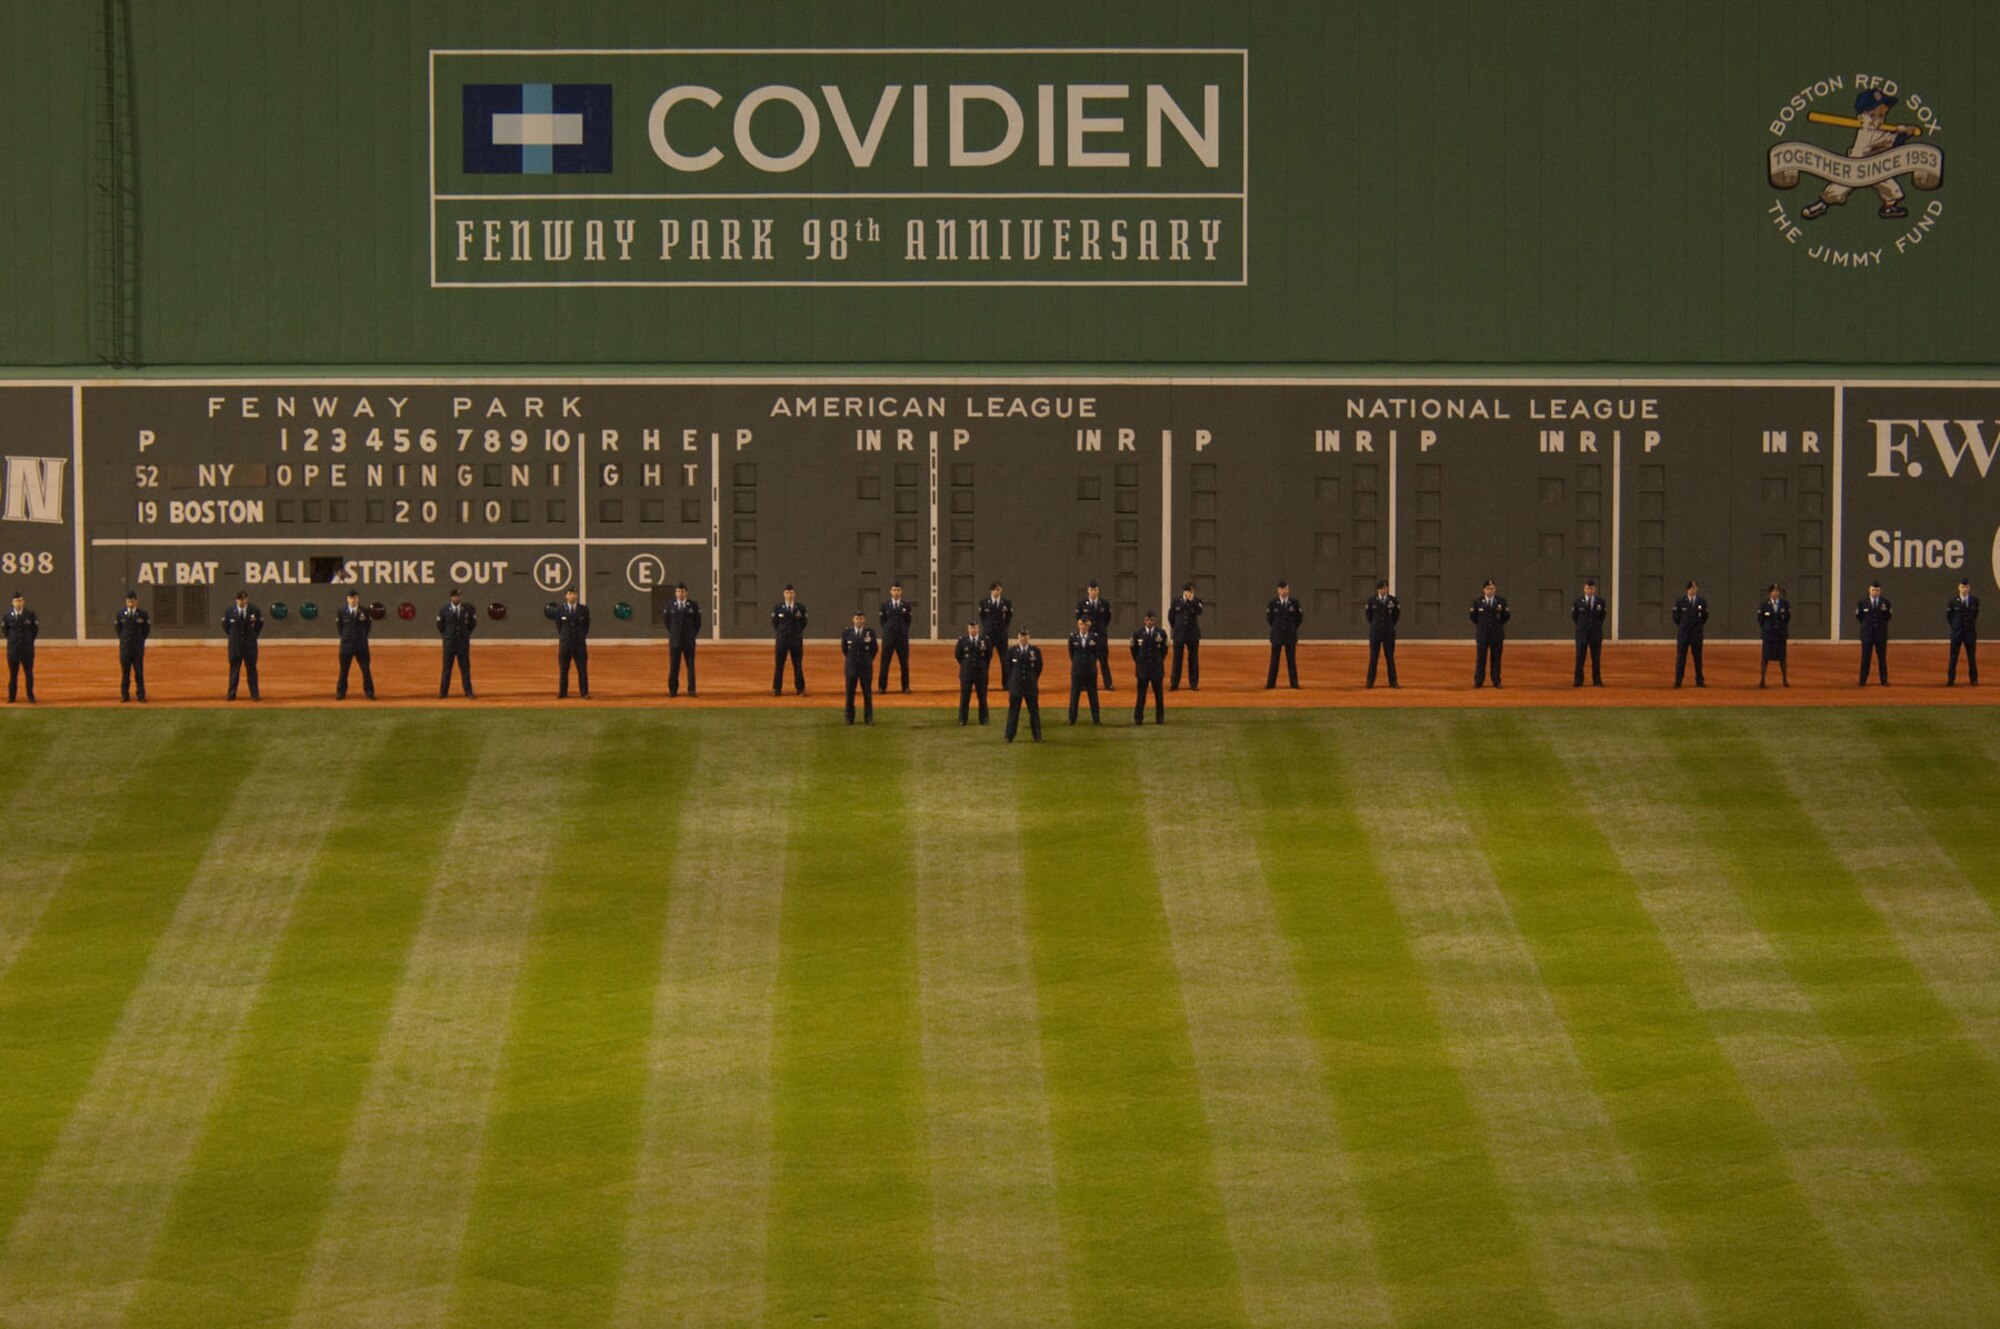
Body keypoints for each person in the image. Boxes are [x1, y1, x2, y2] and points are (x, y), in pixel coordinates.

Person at [547, 587, 590, 698]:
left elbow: (586, 626)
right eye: (570, 594)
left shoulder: (583, 610)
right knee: (564, 670)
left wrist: (579, 637)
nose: (573, 596)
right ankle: (563, 692)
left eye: (574, 594)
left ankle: (584, 693)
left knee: (582, 669)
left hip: (579, 644)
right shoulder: (560, 610)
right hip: (565, 644)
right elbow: (559, 626)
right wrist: (566, 637)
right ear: (566, 596)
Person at [334, 589, 377, 700]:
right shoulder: (341, 611)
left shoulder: (365, 611)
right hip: (346, 645)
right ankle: (341, 692)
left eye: (355, 598)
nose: (353, 600)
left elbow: (368, 627)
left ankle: (369, 692)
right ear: (347, 599)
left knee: (366, 670)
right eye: (351, 598)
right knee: (344, 670)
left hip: (361, 645)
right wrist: (346, 637)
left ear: (358, 599)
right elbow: (340, 627)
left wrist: (361, 637)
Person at [222, 591, 263, 701]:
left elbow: (259, 625)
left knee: (251, 670)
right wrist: (234, 638)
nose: (242, 601)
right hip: (235, 646)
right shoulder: (230, 612)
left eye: (244, 599)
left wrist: (252, 637)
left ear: (247, 599)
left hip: (249, 646)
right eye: (240, 599)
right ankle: (231, 694)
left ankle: (254, 694)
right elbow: (226, 627)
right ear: (236, 600)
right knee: (234, 670)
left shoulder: (254, 610)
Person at [1005, 629, 1044, 743]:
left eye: (1025, 636)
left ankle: (1037, 736)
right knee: (1013, 712)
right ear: (1018, 637)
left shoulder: (1035, 651)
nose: (1023, 638)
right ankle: (1009, 736)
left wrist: (1033, 679)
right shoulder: (1012, 651)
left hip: (1030, 686)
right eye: (1021, 636)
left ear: (1028, 637)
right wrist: (1013, 681)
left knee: (1034, 712)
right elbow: (1008, 669)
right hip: (1016, 686)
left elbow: (1038, 668)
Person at [437, 587, 476, 698]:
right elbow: (440, 626)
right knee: (447, 667)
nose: (457, 598)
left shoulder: (468, 609)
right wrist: (447, 636)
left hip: (462, 643)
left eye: (458, 596)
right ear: (451, 597)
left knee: (465, 667)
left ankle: (468, 692)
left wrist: (466, 634)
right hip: (449, 643)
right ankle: (443, 692)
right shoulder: (444, 610)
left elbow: (472, 624)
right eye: (455, 596)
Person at [840, 611, 879, 724]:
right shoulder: (847, 632)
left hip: (865, 667)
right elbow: (844, 649)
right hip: (851, 667)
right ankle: (849, 718)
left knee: (867, 694)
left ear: (864, 620)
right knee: (850, 694)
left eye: (861, 618)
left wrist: (867, 660)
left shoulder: (869, 633)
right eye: (857, 618)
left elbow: (874, 649)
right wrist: (852, 659)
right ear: (853, 619)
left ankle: (868, 718)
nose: (859, 620)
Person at [664, 581, 701, 697]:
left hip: (689, 642)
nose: (680, 594)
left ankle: (691, 690)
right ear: (676, 592)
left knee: (690, 667)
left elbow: (698, 623)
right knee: (674, 667)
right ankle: (673, 690)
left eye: (682, 591)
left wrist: (690, 635)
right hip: (675, 641)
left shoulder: (693, 605)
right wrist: (675, 634)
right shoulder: (670, 605)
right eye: (678, 591)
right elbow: (667, 623)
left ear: (686, 593)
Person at [1567, 578, 1607, 687]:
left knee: (1596, 658)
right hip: (1582, 634)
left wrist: (1595, 628)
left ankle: (1597, 680)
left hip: (1595, 634)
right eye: (1587, 588)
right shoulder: (1577, 602)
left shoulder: (1601, 602)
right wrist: (1582, 628)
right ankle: (1578, 680)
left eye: (1591, 588)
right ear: (1584, 589)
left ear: (1594, 589)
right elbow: (1575, 617)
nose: (1589, 590)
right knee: (1580, 657)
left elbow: (1602, 617)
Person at [1130, 611, 1168, 724]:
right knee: (1141, 695)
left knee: (1159, 695)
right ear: (1144, 620)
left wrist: (1159, 660)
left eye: (1151, 620)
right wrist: (1139, 661)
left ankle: (1160, 718)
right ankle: (1138, 718)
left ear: (1154, 620)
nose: (1149, 622)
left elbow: (1164, 650)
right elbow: (1134, 650)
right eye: (1147, 620)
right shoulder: (1137, 634)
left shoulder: (1161, 633)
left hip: (1156, 668)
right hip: (1143, 669)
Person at [1470, 580, 1508, 687]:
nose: (1490, 591)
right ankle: (1479, 680)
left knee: (1496, 658)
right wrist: (1483, 627)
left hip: (1496, 635)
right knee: (1481, 658)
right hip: (1482, 635)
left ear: (1495, 589)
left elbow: (1506, 616)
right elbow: (1473, 617)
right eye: (1488, 588)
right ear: (1484, 590)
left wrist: (1496, 626)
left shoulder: (1501, 601)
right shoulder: (1478, 601)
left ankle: (1496, 680)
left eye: (1492, 588)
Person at [771, 584, 808, 695]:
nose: (789, 595)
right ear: (784, 594)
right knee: (779, 664)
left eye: (791, 592)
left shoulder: (800, 607)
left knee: (797, 664)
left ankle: (800, 689)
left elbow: (803, 623)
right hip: (782, 640)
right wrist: (782, 633)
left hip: (795, 640)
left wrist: (796, 632)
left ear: (794, 594)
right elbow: (775, 623)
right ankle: (777, 689)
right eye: (787, 592)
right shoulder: (778, 607)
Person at [1266, 580, 1303, 689]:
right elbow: (1270, 619)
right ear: (1278, 590)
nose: (1284, 591)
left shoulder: (1294, 602)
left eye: (1286, 588)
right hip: (1277, 635)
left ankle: (1294, 684)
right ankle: (1271, 684)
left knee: (1291, 660)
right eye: (1282, 589)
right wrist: (1277, 628)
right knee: (1274, 661)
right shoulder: (1272, 603)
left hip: (1290, 635)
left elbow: (1299, 619)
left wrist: (1291, 628)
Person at [1077, 580, 1114, 688]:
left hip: (1101, 636)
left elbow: (1107, 618)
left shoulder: (1104, 603)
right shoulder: (1082, 604)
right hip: (1088, 637)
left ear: (1098, 591)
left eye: (1095, 590)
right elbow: (1079, 619)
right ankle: (1086, 684)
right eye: (1091, 590)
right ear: (1088, 591)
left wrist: (1101, 629)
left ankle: (1108, 684)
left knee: (1104, 661)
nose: (1093, 592)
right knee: (1088, 662)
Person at [1672, 580, 1709, 688]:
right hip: (1684, 634)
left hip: (1696, 634)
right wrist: (1684, 627)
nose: (1694, 590)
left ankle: (1699, 680)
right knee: (1681, 658)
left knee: (1698, 658)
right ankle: (1678, 680)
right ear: (1687, 589)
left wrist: (1697, 627)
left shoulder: (1702, 602)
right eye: (1692, 588)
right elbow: (1676, 618)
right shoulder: (1680, 602)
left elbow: (1705, 617)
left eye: (1695, 587)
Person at [878, 581, 913, 693]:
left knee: (904, 663)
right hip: (888, 638)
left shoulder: (906, 606)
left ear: (901, 591)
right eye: (894, 590)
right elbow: (882, 622)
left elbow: (908, 621)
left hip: (901, 638)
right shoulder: (884, 605)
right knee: (885, 663)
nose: (896, 592)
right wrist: (888, 631)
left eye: (898, 590)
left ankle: (905, 687)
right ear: (890, 591)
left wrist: (902, 631)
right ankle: (882, 687)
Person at [114, 590, 149, 702]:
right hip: (125, 649)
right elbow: (118, 630)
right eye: (129, 601)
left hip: (137, 648)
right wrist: (125, 640)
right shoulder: (120, 614)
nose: (131, 603)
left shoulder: (143, 614)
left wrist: (139, 640)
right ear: (126, 601)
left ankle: (141, 695)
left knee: (139, 672)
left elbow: (146, 630)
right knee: (125, 674)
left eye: (132, 601)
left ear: (136, 601)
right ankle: (125, 695)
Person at [955, 619, 992, 725]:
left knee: (982, 698)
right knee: (965, 698)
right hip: (967, 673)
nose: (973, 630)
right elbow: (958, 656)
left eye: (974, 627)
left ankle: (984, 718)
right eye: (971, 628)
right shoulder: (962, 640)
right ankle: (963, 719)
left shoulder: (985, 640)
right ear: (968, 629)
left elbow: (989, 655)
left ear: (978, 628)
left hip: (981, 673)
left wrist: (982, 667)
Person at [1365, 578, 1400, 688]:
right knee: (1373, 657)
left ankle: (1393, 682)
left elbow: (1396, 616)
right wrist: (1376, 625)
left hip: (1388, 633)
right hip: (1375, 632)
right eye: (1383, 588)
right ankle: (1370, 681)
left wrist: (1389, 626)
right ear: (1379, 590)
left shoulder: (1393, 601)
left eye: (1386, 588)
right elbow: (1369, 616)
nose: (1385, 590)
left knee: (1390, 658)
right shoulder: (1371, 601)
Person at [1168, 582, 1203, 690]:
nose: (1191, 593)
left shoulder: (1197, 601)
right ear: (1184, 591)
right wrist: (1177, 628)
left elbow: (1200, 611)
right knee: (1177, 659)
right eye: (1189, 591)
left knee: (1193, 659)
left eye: (1192, 591)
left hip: (1192, 634)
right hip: (1179, 634)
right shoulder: (1176, 601)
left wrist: (1192, 601)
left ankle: (1193, 683)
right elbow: (1171, 617)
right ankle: (1174, 683)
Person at [1067, 616, 1102, 724]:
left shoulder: (1094, 637)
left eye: (1085, 625)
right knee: (1074, 695)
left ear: (1089, 626)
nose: (1083, 627)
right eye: (1081, 624)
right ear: (1078, 625)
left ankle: (1096, 719)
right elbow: (1071, 653)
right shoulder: (1073, 637)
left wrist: (1090, 662)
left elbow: (1097, 653)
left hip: (1090, 670)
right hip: (1077, 670)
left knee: (1093, 695)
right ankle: (1072, 719)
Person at [3, 592, 37, 704]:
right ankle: (12, 696)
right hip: (13, 650)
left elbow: (34, 630)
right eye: (16, 601)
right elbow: (5, 631)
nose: (18, 603)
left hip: (27, 650)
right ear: (13, 602)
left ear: (23, 602)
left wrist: (28, 641)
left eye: (20, 601)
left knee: (28, 673)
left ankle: (30, 695)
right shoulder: (7, 615)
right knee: (13, 674)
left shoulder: (30, 614)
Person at [1856, 581, 1892, 685]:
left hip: (1880, 635)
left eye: (1877, 590)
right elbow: (1859, 617)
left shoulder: (1886, 603)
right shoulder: (1862, 603)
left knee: (1882, 658)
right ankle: (1862, 680)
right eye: (1873, 590)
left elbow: (1888, 617)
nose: (1875, 592)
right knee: (1865, 658)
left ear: (1880, 591)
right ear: (1869, 590)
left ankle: (1884, 680)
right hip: (1867, 635)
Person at [979, 582, 1014, 686]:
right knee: (985, 660)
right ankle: (983, 684)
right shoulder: (984, 602)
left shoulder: (1006, 603)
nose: (996, 591)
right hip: (988, 636)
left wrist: (1002, 628)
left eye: (998, 589)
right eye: (995, 589)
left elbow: (1008, 618)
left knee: (1005, 660)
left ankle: (1006, 684)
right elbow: (982, 618)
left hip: (1001, 635)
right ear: (991, 591)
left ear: (1001, 590)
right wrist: (988, 628)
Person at [1757, 584, 1792, 688]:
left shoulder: (1785, 604)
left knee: (1782, 658)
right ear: (1770, 593)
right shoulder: (1764, 604)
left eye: (1777, 591)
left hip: (1780, 635)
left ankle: (1785, 680)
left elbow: (1787, 618)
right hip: (1769, 635)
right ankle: (1762, 680)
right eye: (1774, 591)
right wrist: (1767, 629)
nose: (1776, 593)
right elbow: (1760, 619)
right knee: (1765, 658)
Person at [1947, 578, 1979, 686]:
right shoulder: (1952, 601)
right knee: (1953, 656)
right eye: (1962, 587)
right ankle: (1951, 679)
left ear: (1969, 588)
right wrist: (1956, 626)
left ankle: (1973, 679)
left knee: (1971, 656)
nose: (1965, 589)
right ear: (1958, 588)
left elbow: (1975, 615)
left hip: (1970, 633)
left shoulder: (1974, 601)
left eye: (1967, 587)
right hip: (1957, 633)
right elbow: (1949, 617)